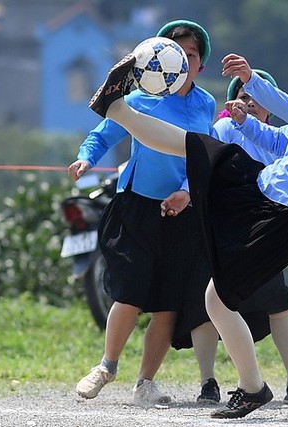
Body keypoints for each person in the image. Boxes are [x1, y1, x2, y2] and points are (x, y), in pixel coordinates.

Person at [87, 47, 288, 418]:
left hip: (287, 220)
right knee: (198, 147)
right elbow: (281, 141)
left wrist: (253, 82)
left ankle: (252, 388)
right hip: (259, 194)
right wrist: (246, 123)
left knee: (216, 300)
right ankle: (117, 108)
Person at [69, 20, 216, 407]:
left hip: (181, 211)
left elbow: (201, 156)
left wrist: (186, 193)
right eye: (175, 53)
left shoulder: (205, 104)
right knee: (131, 291)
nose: (183, 61)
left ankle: (145, 383)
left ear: (201, 63)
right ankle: (107, 365)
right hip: (135, 207)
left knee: (167, 302)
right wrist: (85, 160)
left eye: (191, 54)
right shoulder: (138, 100)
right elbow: (101, 135)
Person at [170, 69, 288, 405]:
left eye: (258, 99)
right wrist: (186, 193)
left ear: (270, 108)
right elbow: (201, 167)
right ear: (232, 102)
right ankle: (208, 382)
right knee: (203, 306)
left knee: (278, 301)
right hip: (217, 225)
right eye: (244, 96)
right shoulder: (221, 129)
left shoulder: (281, 138)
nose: (249, 103)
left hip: (261, 228)